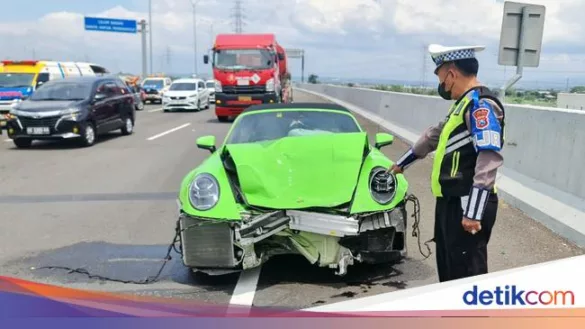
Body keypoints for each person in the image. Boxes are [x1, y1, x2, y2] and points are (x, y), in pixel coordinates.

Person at [389, 44, 506, 282]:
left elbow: (488, 158)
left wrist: (473, 212)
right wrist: (401, 164)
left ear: (451, 74)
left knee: (467, 272)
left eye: (441, 77)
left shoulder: (481, 106)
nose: (441, 85)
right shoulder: (462, 104)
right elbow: (434, 136)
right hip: (451, 201)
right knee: (450, 267)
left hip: (467, 202)